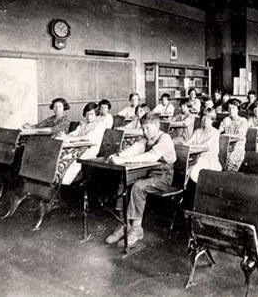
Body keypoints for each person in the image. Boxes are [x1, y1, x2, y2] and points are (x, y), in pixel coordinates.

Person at [105, 112, 176, 247]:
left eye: (147, 128)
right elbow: (134, 149)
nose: (144, 131)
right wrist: (119, 155)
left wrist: (123, 160)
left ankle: (137, 229)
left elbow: (150, 156)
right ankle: (123, 224)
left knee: (138, 186)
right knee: (124, 181)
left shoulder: (164, 138)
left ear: (157, 126)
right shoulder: (146, 139)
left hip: (163, 177)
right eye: (143, 128)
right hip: (149, 173)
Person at [57, 102, 106, 185]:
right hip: (78, 147)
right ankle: (56, 183)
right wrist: (66, 136)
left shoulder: (100, 125)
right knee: (60, 157)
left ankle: (64, 183)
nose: (88, 117)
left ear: (96, 114)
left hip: (89, 151)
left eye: (91, 114)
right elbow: (75, 133)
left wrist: (69, 139)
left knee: (69, 163)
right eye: (86, 114)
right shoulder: (84, 124)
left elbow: (88, 138)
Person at [186, 108, 222, 183]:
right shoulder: (197, 131)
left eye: (208, 118)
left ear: (212, 120)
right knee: (184, 169)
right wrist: (185, 144)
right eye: (204, 117)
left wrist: (191, 146)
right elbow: (188, 142)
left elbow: (206, 146)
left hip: (209, 161)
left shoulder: (214, 132)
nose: (205, 120)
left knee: (192, 171)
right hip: (197, 158)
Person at [218, 99, 248, 171]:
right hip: (225, 146)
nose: (231, 110)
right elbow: (218, 131)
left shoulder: (242, 121)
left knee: (231, 158)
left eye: (233, 108)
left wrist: (226, 135)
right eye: (229, 108)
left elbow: (240, 136)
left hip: (237, 147)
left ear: (238, 109)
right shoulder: (226, 119)